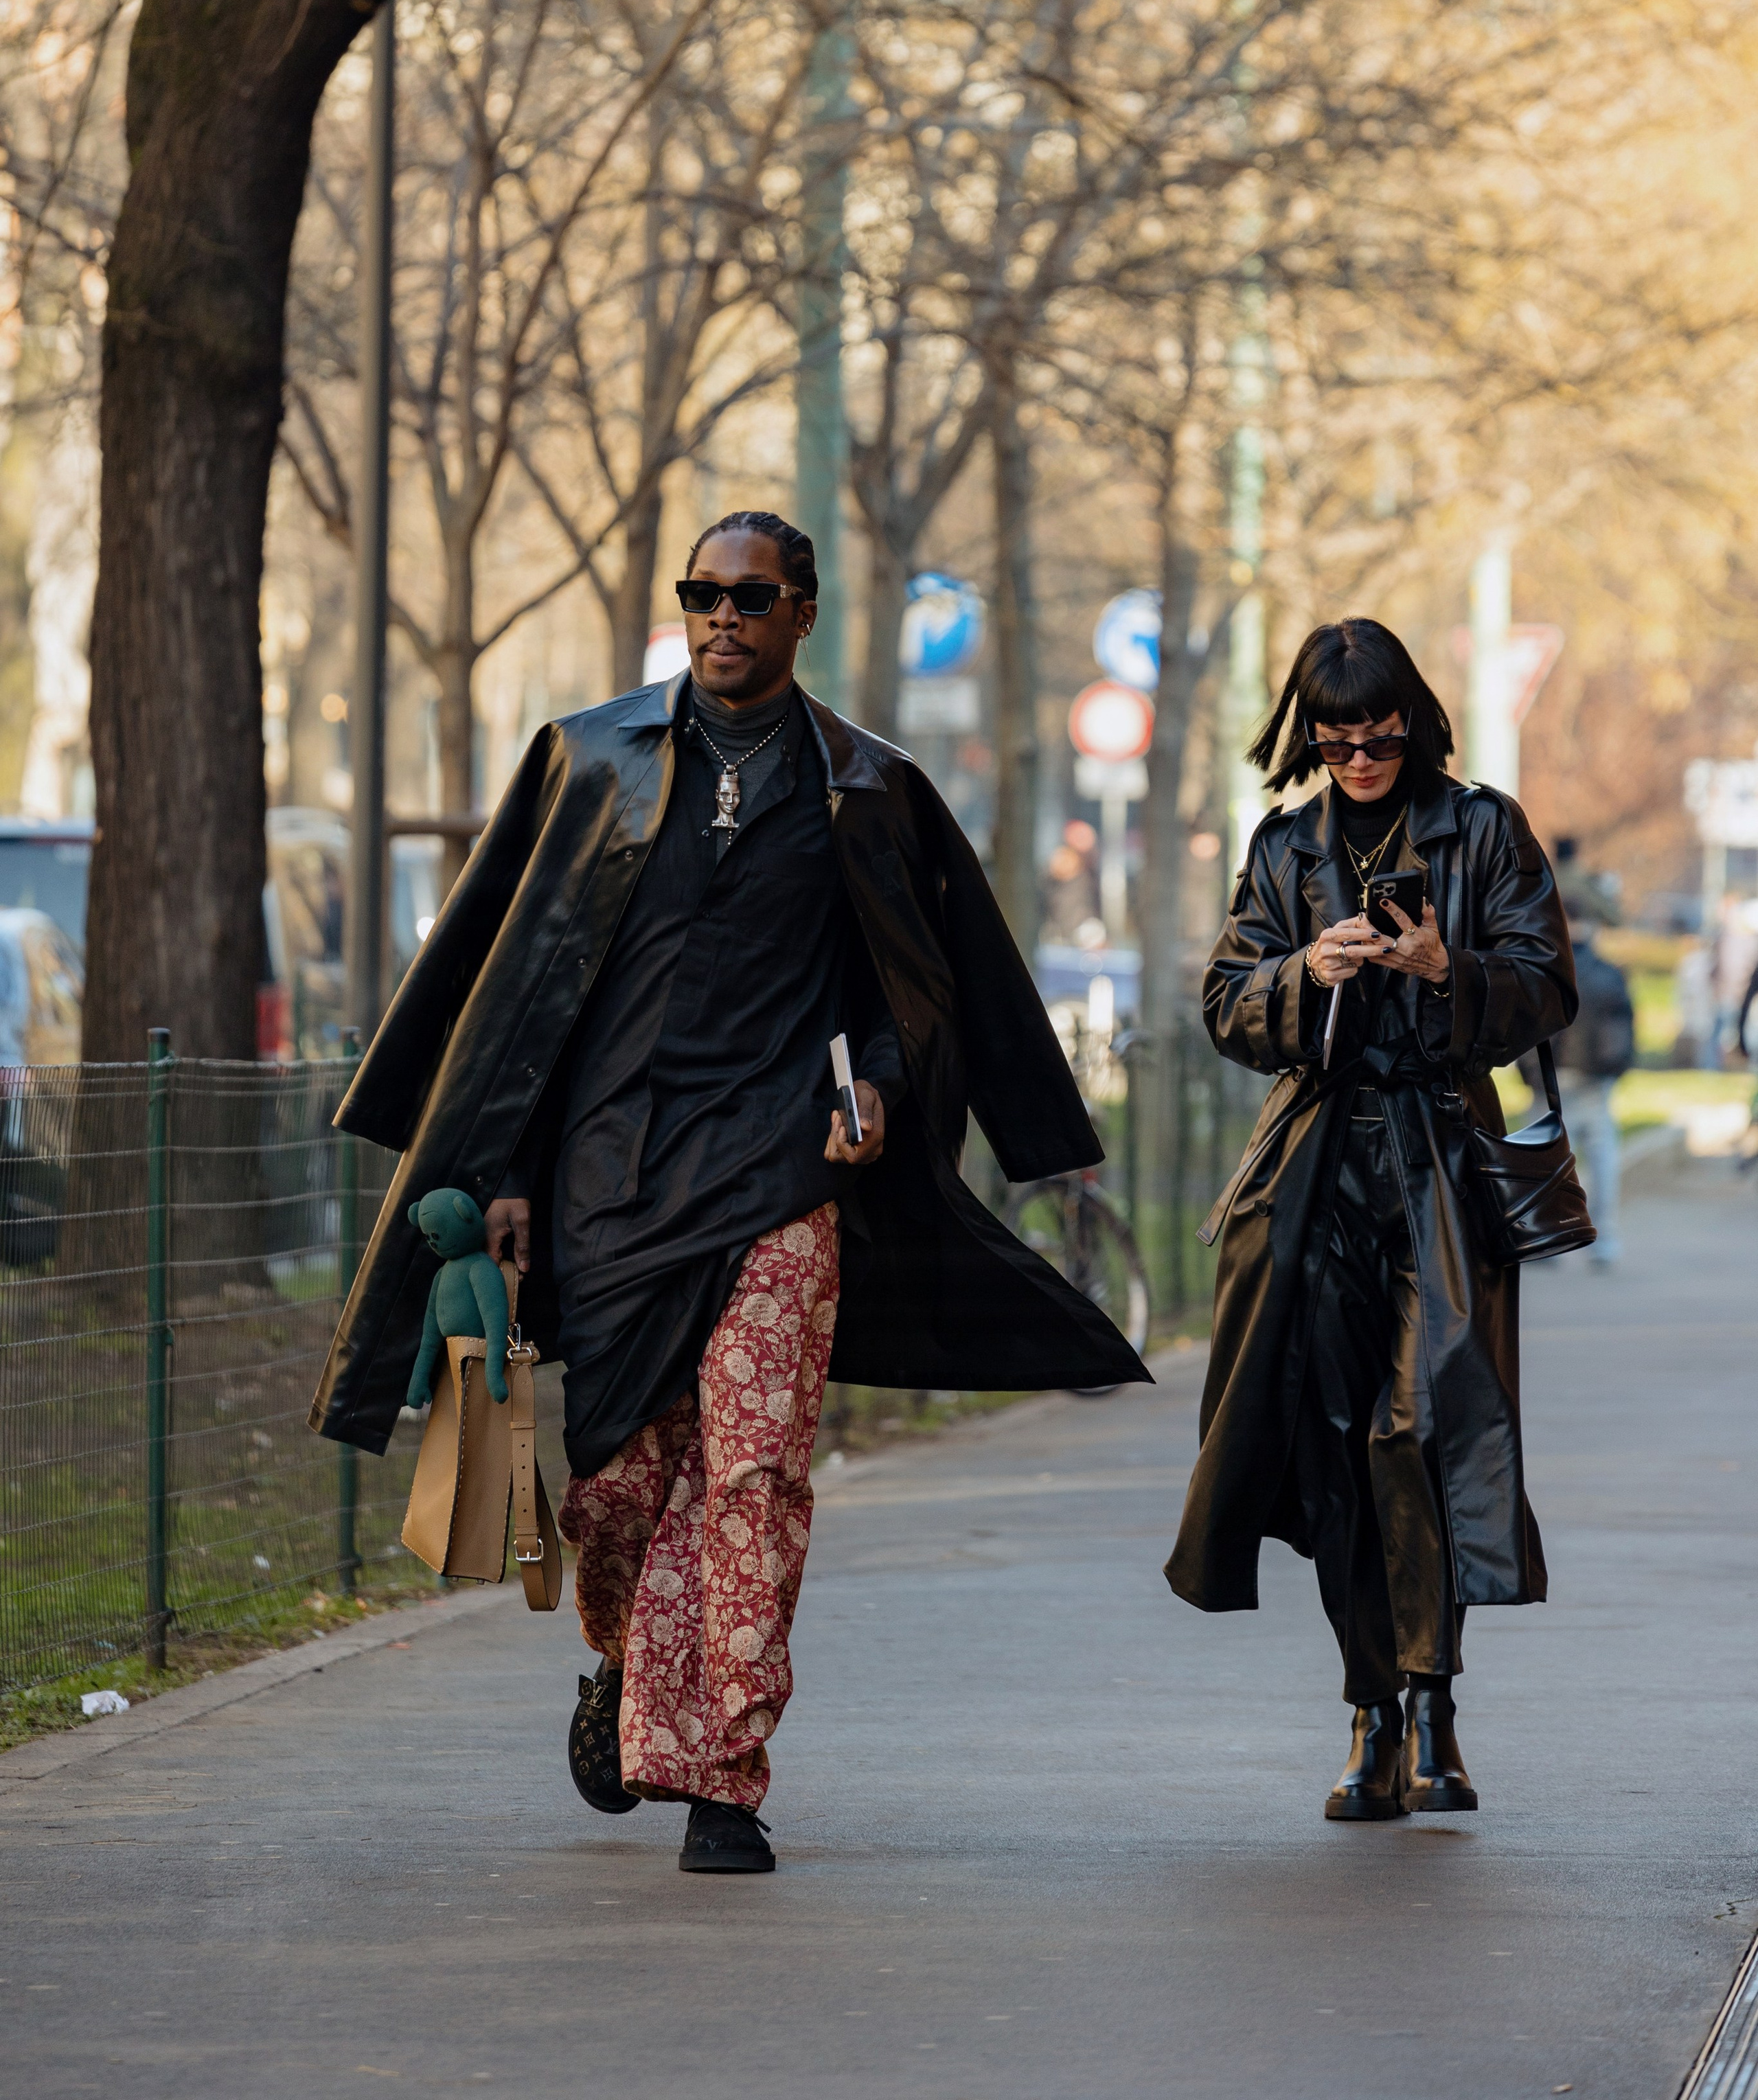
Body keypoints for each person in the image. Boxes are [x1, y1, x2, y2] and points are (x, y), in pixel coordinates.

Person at [310, 510, 1146, 1875]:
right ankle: (624, 1672)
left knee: (752, 1476)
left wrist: (875, 1082)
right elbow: (522, 1000)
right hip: (611, 1183)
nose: (720, 616)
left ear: (800, 612)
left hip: (781, 1175)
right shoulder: (591, 762)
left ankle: (720, 1779)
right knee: (619, 1494)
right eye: (699, 592)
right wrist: (507, 1175)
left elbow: (911, 985)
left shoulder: (864, 788)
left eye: (749, 596)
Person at [1165, 617, 1575, 1823]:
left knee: (1420, 1429)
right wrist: (1311, 974)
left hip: (1441, 1160)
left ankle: (1433, 1698)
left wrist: (1448, 969)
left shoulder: (1482, 828)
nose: (1357, 755)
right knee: (1337, 1437)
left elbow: (1546, 987)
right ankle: (1372, 1711)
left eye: (1378, 732)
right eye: (1335, 737)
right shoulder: (1286, 849)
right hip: (1317, 1168)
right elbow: (1228, 1003)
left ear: (1416, 721)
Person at [1547, 889, 1634, 1266]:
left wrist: (1533, 1075)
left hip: (1552, 1080)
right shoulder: (1608, 972)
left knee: (1548, 1162)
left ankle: (1551, 1238)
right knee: (1602, 1162)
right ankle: (1603, 1240)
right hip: (1594, 1080)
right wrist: (1613, 1070)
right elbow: (1623, 1029)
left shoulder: (1545, 969)